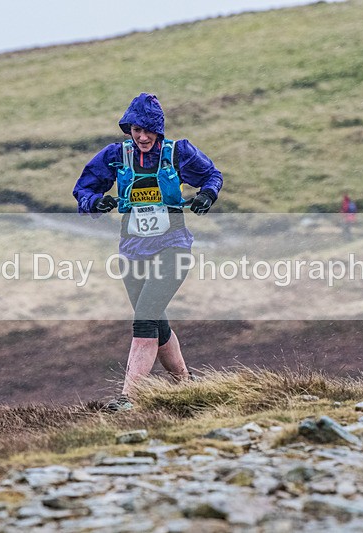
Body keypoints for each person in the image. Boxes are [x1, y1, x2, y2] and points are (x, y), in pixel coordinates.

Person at [73, 93, 223, 411]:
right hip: (131, 254)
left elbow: (212, 176)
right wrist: (94, 203)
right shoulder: (115, 156)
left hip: (173, 249)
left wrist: (206, 197)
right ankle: (185, 382)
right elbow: (83, 189)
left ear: (159, 130)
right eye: (135, 129)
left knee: (144, 319)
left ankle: (130, 397)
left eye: (147, 130)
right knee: (156, 320)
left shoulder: (178, 153)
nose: (141, 136)